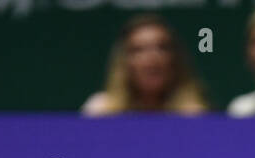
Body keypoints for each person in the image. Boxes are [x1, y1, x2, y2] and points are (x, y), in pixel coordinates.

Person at [82, 14, 210, 116]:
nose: (152, 58)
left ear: (175, 59)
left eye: (162, 47)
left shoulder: (194, 116)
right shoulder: (101, 111)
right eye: (139, 49)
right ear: (124, 61)